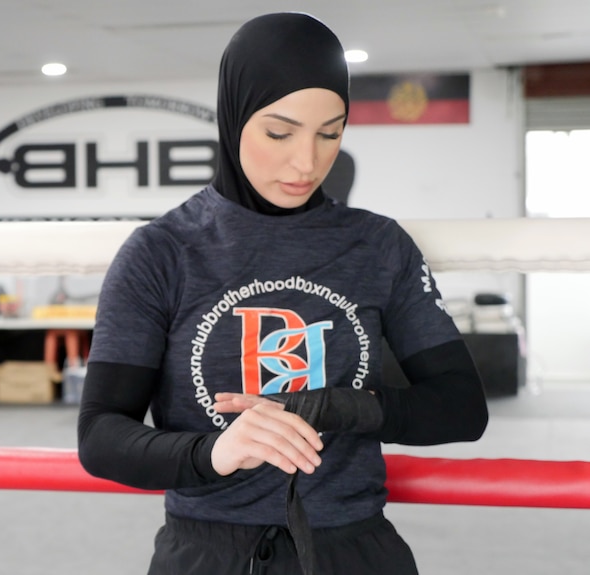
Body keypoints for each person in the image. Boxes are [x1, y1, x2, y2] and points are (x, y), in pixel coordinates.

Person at [77, 12, 488, 575]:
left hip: (351, 548)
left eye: (330, 133)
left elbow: (462, 409)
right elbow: (100, 436)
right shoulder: (164, 251)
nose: (308, 162)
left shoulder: (377, 245)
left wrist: (342, 406)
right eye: (279, 132)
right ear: (234, 116)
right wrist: (212, 452)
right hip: (207, 553)